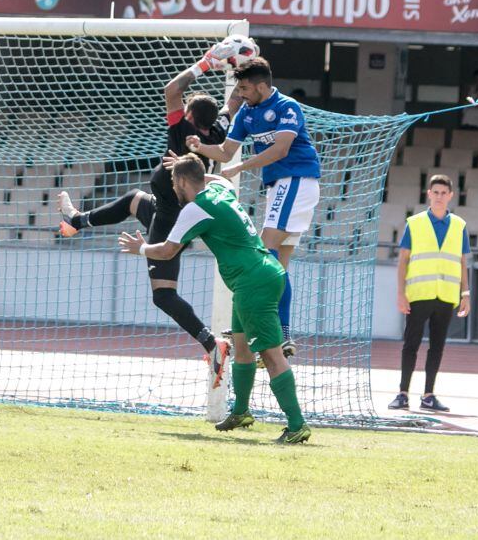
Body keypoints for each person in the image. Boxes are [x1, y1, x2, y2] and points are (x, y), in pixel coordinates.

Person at [57, 45, 236, 387]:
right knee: (132, 200)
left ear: (189, 117)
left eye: (184, 110)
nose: (179, 109)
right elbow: (231, 107)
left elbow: (172, 89)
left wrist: (207, 63)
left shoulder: (183, 133)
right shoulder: (217, 132)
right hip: (165, 205)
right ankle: (76, 221)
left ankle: (213, 345)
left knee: (162, 295)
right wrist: (237, 68)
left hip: (171, 218)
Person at [118, 153, 311, 444]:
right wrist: (193, 171)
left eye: (175, 183)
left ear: (183, 181)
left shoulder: (195, 209)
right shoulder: (219, 190)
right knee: (243, 348)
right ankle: (241, 412)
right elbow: (220, 178)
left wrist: (141, 249)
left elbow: (168, 251)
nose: (173, 189)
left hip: (253, 281)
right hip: (258, 275)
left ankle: (297, 425)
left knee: (271, 355)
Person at [186, 57, 321, 359]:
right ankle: (282, 334)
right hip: (279, 187)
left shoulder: (287, 107)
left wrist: (239, 169)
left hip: (296, 179)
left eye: (245, 88)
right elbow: (225, 151)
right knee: (278, 262)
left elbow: (281, 149)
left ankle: (255, 324)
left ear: (262, 85)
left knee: (262, 251)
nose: (240, 94)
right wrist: (199, 146)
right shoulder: (246, 113)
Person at [388, 175, 471, 413]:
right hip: (419, 293)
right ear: (428, 194)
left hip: (445, 295)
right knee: (410, 344)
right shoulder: (414, 223)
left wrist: (465, 293)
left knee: (437, 347)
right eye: (436, 192)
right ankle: (403, 393)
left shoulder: (459, 225)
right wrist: (401, 294)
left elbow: (462, 261)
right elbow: (403, 260)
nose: (439, 196)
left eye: (444, 193)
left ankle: (428, 395)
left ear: (451, 196)